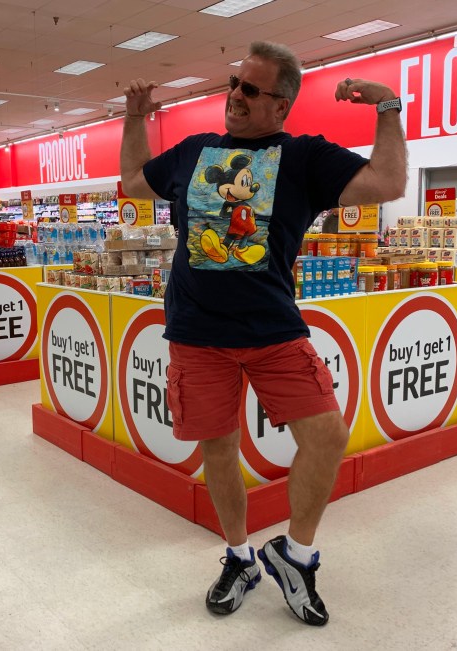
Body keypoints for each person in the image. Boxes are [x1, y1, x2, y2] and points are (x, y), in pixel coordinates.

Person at [120, 40, 407, 627]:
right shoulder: (194, 151)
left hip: (274, 328)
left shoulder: (302, 157)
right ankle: (239, 558)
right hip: (196, 331)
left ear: (281, 105)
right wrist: (133, 119)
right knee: (219, 448)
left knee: (327, 435)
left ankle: (295, 557)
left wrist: (387, 105)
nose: (235, 96)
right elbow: (132, 182)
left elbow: (389, 181)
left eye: (251, 90)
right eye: (234, 83)